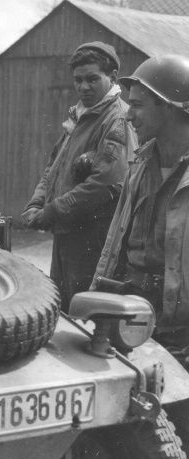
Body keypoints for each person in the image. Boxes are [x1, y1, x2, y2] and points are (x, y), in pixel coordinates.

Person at [22, 42, 135, 309]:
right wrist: (36, 203)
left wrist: (51, 211)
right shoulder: (82, 115)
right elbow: (55, 165)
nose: (84, 87)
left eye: (93, 79)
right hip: (67, 233)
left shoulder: (117, 119)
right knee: (60, 306)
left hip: (92, 238)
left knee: (82, 313)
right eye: (78, 80)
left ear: (114, 77)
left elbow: (104, 184)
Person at [91, 53, 189, 364]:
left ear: (169, 107)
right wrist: (96, 300)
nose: (129, 115)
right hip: (131, 313)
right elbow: (114, 242)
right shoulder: (140, 165)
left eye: (138, 105)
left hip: (180, 331)